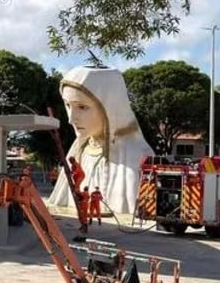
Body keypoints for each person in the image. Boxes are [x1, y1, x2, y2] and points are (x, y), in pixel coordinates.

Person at [48, 65, 154, 215]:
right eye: (68, 105)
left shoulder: (136, 156)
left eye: (82, 107)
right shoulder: (78, 150)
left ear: (110, 107)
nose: (71, 119)